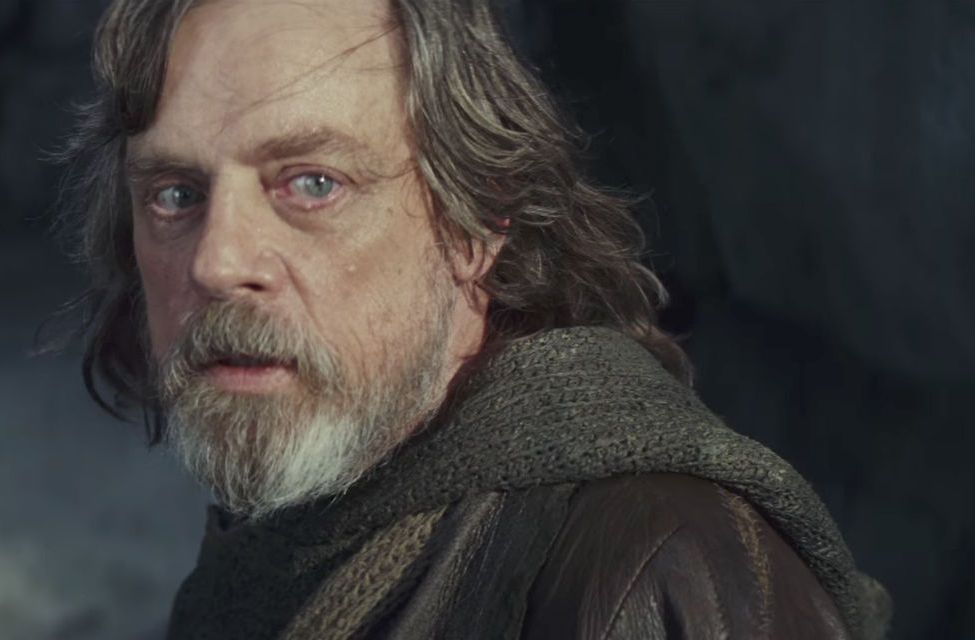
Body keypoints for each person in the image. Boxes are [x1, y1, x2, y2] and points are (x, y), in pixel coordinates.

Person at [53, 0, 891, 637]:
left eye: (312, 184)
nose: (215, 261)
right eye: (175, 194)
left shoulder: (657, 569)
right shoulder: (285, 540)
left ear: (474, 224)